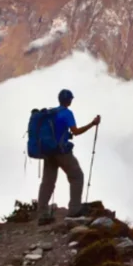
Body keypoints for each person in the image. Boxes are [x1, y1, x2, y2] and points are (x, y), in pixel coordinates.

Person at [37, 88, 100, 225]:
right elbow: (76, 132)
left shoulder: (51, 113)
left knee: (48, 182)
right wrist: (92, 124)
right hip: (62, 152)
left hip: (48, 152)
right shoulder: (67, 114)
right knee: (76, 176)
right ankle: (74, 209)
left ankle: (42, 214)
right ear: (69, 100)